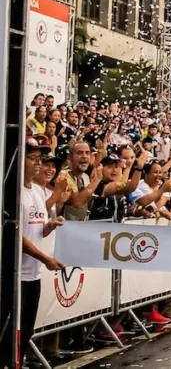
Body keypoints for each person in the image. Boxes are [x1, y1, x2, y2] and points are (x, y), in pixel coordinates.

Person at [20, 137, 66, 366]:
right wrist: (45, 258)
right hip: (16, 274)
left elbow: (38, 230)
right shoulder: (14, 191)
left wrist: (50, 224)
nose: (38, 164)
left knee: (26, 329)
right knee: (13, 331)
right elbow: (16, 236)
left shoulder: (39, 191)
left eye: (41, 159)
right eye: (33, 158)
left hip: (33, 274)